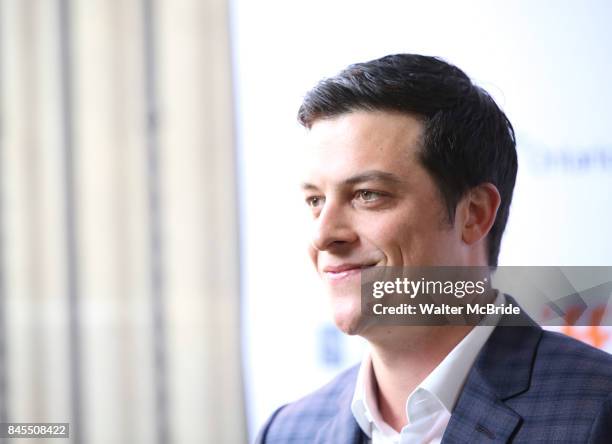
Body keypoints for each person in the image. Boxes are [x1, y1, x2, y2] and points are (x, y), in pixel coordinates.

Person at [256, 54, 612, 443]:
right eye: (315, 201)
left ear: (473, 214)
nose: (323, 235)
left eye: (367, 195)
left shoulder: (598, 411)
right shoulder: (288, 431)